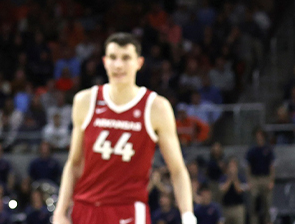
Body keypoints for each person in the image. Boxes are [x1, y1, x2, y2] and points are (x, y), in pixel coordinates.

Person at [54, 33, 196, 224]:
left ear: (139, 62)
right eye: (113, 57)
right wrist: (60, 212)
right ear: (104, 61)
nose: (118, 65)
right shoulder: (85, 101)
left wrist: (188, 216)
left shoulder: (156, 107)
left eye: (126, 58)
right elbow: (74, 163)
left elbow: (178, 170)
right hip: (85, 208)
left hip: (128, 209)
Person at [245, 129, 276, 224]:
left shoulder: (268, 150)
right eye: (257, 136)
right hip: (255, 179)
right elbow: (248, 167)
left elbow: (272, 167)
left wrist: (271, 181)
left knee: (267, 203)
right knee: (253, 203)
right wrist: (249, 181)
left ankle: (268, 221)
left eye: (260, 135)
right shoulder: (252, 150)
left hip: (266, 178)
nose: (259, 138)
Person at [218, 157, 248, 224]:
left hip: (238, 207)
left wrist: (235, 178)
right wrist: (229, 178)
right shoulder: (223, 178)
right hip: (226, 207)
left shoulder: (242, 178)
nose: (232, 169)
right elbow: (223, 190)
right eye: (231, 166)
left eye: (234, 166)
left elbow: (239, 190)